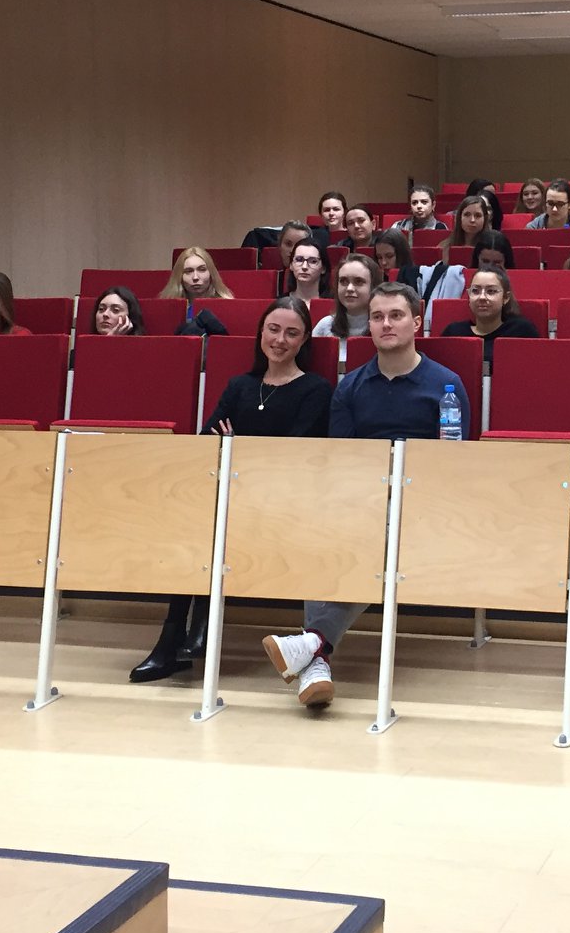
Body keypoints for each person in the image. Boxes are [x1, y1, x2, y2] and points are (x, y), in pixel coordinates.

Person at [261, 282, 467, 709]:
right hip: (363, 499)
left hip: (425, 505)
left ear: (417, 321)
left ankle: (312, 645)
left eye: (395, 315)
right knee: (323, 532)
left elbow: (456, 464)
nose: (386, 324)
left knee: (375, 537)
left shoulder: (446, 385)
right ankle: (316, 658)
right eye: (377, 317)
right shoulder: (351, 386)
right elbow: (344, 461)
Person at [131, 299, 331, 684]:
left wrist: (237, 446)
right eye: (273, 329)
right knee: (195, 523)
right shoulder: (240, 385)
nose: (280, 340)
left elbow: (294, 454)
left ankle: (193, 632)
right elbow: (207, 441)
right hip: (226, 495)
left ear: (304, 339)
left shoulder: (315, 389)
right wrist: (237, 449)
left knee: (208, 526)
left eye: (291, 333)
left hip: (279, 500)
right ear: (260, 333)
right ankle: (175, 639)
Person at [440, 264, 541, 362]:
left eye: (491, 291)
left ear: (505, 297)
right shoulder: (453, 332)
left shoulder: (521, 331)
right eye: (475, 291)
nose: (482, 297)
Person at [422, 231, 514, 302]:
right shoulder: (460, 280)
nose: (490, 267)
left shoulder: (515, 282)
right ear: (477, 259)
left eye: (497, 262)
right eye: (485, 261)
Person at [162, 247, 232, 336]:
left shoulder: (227, 307)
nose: (195, 277)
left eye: (202, 270)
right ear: (179, 276)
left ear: (211, 274)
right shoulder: (168, 310)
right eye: (188, 271)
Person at [312, 252, 377, 339]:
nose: (349, 288)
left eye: (358, 281)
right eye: (344, 281)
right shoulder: (325, 326)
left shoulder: (383, 327)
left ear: (373, 287)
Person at [278, 238, 330, 306]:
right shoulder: (279, 304)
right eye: (299, 260)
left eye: (313, 261)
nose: (304, 267)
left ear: (323, 268)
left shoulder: (333, 304)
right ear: (291, 265)